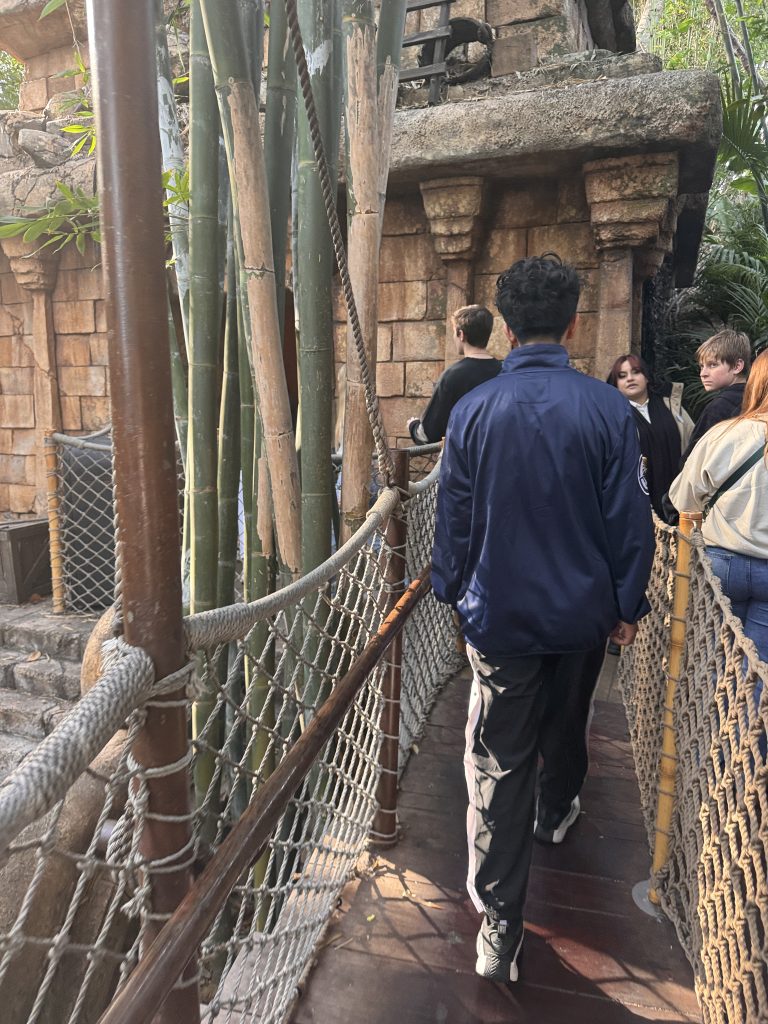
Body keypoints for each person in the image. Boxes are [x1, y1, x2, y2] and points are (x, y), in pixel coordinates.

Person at [432, 254, 655, 983]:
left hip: (498, 616)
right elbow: (630, 521)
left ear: (506, 327)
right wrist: (627, 605)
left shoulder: (473, 411)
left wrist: (451, 591)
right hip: (583, 614)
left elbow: (453, 517)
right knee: (570, 716)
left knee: (497, 761)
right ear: (573, 323)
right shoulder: (608, 410)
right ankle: (557, 809)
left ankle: (500, 926)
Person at [668, 348, 768, 664]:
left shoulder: (724, 433)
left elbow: (683, 498)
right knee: (758, 665)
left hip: (722, 561)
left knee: (716, 658)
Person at [606, 354, 693, 518]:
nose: (630, 379)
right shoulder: (612, 417)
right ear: (615, 384)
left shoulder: (672, 406)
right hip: (637, 504)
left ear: (646, 376)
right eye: (622, 376)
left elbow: (694, 443)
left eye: (636, 372)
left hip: (679, 497)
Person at [407, 304, 500, 445]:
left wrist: (413, 426)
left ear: (461, 334)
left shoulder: (452, 376)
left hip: (465, 455)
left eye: (454, 331)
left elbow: (427, 435)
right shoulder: (504, 371)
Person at [680, 329, 751, 464]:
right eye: (702, 366)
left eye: (713, 365)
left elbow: (693, 461)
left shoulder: (719, 408)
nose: (703, 373)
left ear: (737, 366)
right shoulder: (759, 399)